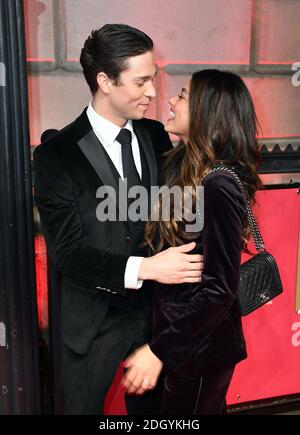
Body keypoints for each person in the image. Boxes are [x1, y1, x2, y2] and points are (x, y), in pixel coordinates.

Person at [33, 24, 203, 415]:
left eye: (154, 80)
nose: (153, 93)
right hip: (91, 326)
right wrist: (147, 267)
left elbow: (174, 217)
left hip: (154, 321)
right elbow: (68, 254)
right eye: (141, 81)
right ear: (105, 81)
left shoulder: (156, 135)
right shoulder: (56, 155)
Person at [123, 69, 262, 415]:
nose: (170, 100)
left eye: (183, 96)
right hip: (173, 342)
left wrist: (159, 351)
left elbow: (219, 290)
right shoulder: (181, 166)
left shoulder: (218, 185)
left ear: (207, 111)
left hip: (197, 352)